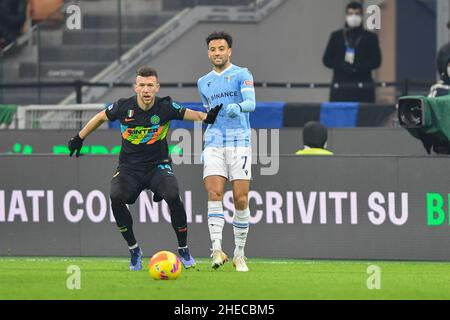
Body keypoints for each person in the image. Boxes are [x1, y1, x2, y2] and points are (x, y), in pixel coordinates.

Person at [67, 66, 222, 271]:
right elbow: (101, 117)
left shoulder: (165, 107)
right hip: (129, 168)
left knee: (173, 194)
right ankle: (134, 250)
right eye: (142, 85)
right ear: (135, 87)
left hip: (158, 166)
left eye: (150, 85)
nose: (146, 90)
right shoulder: (123, 107)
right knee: (116, 196)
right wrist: (79, 137)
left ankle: (183, 249)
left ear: (157, 88)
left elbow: (188, 113)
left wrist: (206, 117)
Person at [197, 31, 256, 272]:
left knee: (241, 198)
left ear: (229, 51)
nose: (217, 53)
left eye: (221, 49)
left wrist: (238, 106)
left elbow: (251, 104)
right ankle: (216, 249)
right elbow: (207, 112)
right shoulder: (203, 82)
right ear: (208, 52)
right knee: (214, 193)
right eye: (213, 49)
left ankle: (239, 254)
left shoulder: (242, 74)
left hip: (239, 141)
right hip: (213, 142)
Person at [323, 1, 382, 103]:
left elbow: (376, 61)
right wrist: (341, 65)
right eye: (350, 14)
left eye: (357, 14)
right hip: (341, 86)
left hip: (363, 87)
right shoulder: (336, 36)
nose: (353, 17)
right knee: (339, 116)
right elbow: (326, 59)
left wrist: (357, 66)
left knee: (364, 117)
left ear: (362, 16)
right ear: (346, 15)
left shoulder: (370, 37)